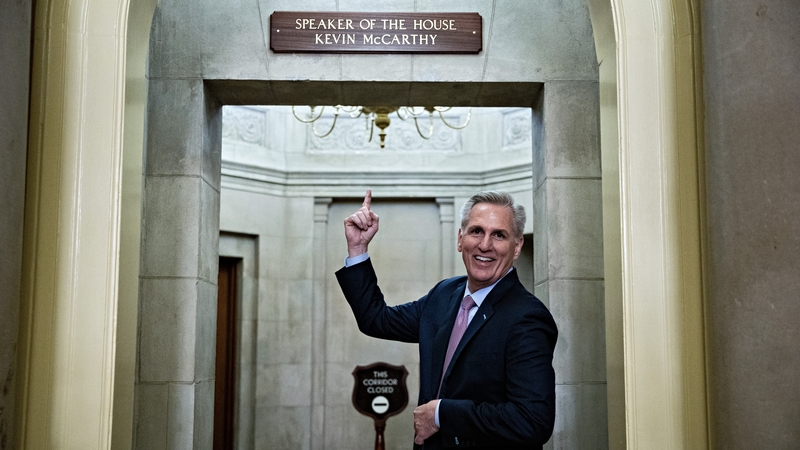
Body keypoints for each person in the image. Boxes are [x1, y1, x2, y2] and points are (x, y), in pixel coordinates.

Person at [336, 190, 557, 450]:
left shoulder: (527, 317)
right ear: (460, 239)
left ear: (516, 246)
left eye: (499, 235)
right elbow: (376, 319)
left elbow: (532, 421)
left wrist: (442, 414)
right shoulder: (444, 295)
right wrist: (358, 249)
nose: (485, 245)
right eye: (476, 231)